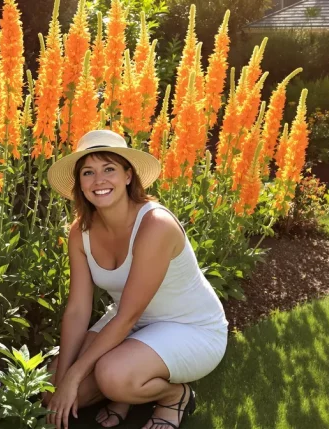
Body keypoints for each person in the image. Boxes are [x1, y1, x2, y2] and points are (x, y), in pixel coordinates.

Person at [42, 130, 228, 429]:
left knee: (112, 377)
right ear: (80, 183)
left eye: (109, 169)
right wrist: (62, 382)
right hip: (132, 325)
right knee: (49, 386)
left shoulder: (155, 225)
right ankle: (128, 390)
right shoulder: (80, 231)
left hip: (189, 327)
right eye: (88, 172)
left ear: (128, 176)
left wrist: (75, 376)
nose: (98, 180)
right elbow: (78, 309)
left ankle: (173, 396)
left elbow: (128, 315)